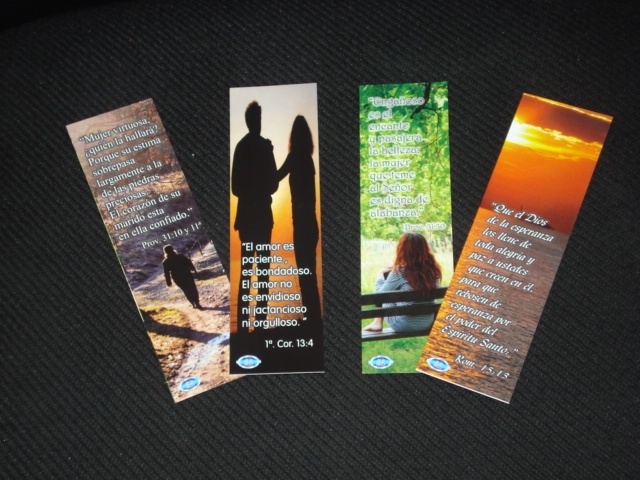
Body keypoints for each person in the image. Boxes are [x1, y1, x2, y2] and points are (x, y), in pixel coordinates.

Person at [231, 101, 279, 323]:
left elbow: (235, 188)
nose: (258, 123)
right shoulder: (263, 146)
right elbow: (273, 185)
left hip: (246, 217)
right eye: (258, 119)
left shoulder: (240, 147)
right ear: (256, 121)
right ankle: (260, 320)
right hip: (262, 216)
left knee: (246, 269)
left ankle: (243, 320)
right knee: (263, 270)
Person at [277, 115, 321, 321]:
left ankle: (310, 317)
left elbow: (276, 177)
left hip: (301, 222)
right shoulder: (308, 159)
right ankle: (313, 316)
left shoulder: (294, 156)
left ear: (293, 136)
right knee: (310, 273)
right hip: (311, 222)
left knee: (305, 274)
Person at [362, 233, 441, 333]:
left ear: (403, 250)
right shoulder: (434, 271)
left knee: (387, 293)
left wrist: (380, 274)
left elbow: (379, 296)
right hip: (427, 323)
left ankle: (377, 322)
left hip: (403, 325)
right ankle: (376, 322)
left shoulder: (399, 273)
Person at [162, 245, 201, 309]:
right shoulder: (180, 256)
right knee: (193, 288)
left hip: (177, 278)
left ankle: (193, 303)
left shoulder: (165, 262)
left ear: (165, 252)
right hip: (187, 274)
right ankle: (197, 302)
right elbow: (188, 262)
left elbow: (166, 273)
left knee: (186, 290)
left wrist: (169, 282)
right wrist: (192, 268)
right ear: (173, 249)